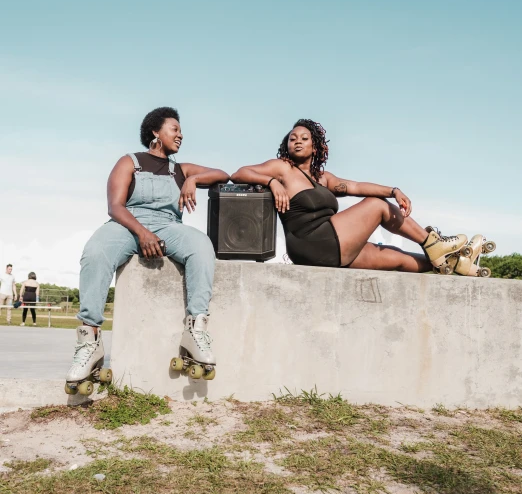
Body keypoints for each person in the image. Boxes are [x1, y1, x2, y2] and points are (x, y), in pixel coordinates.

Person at [66, 107, 229, 387]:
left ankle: (196, 329)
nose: (180, 135)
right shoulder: (130, 162)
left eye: (180, 130)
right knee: (96, 252)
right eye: (174, 129)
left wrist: (192, 179)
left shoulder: (181, 169)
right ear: (156, 132)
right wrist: (142, 232)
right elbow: (115, 206)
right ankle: (90, 339)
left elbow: (223, 174)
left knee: (201, 245)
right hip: (127, 223)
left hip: (168, 225)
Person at [231, 119, 489, 275]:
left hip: (332, 246)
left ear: (315, 146)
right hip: (312, 241)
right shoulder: (282, 168)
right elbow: (239, 173)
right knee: (377, 207)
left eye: (304, 138)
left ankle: (451, 265)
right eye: (292, 138)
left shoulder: (324, 178)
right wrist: (272, 182)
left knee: (396, 257)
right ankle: (435, 243)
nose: (296, 142)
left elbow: (356, 186)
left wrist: (393, 190)